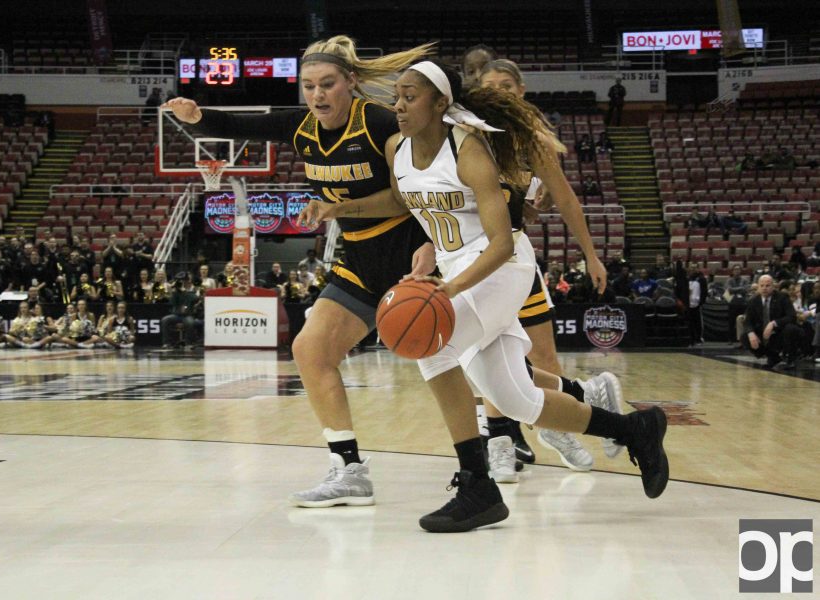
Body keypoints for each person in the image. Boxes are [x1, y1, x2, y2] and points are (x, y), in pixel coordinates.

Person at [316, 60, 668, 531]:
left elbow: (502, 242)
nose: (398, 106)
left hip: (501, 267)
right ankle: (634, 429)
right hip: (457, 267)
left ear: (441, 103)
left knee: (430, 348)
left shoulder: (468, 148)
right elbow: (406, 201)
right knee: (517, 399)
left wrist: (451, 286)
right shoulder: (398, 148)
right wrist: (341, 208)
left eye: (410, 96)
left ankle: (476, 486)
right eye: (396, 96)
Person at [164, 36, 437, 507]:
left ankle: (544, 413)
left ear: (350, 82)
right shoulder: (303, 127)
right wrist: (197, 117)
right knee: (309, 350)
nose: (317, 95)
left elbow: (408, 196)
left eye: (327, 84)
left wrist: (337, 206)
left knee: (484, 367)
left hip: (414, 258)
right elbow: (242, 124)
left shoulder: (379, 123)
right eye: (309, 86)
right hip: (360, 260)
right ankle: (349, 468)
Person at [477, 57, 622, 474]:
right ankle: (500, 438)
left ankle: (555, 424)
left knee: (543, 356)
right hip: (471, 258)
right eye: (492, 85)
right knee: (490, 352)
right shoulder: (465, 134)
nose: (501, 91)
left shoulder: (531, 139)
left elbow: (565, 199)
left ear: (521, 91)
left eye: (508, 85)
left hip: (515, 257)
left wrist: (591, 255)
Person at [741, 275, 801, 371]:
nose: (764, 288)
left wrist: (774, 323)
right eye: (762, 285)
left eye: (767, 285)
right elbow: (747, 321)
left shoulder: (782, 297)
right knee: (745, 336)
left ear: (773, 286)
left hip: (779, 331)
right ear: (758, 287)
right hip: (762, 333)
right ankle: (773, 357)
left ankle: (790, 359)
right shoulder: (753, 300)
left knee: (791, 329)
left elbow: (792, 316)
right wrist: (750, 333)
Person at [160, 271, 201, 348]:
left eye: (182, 280)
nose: (181, 282)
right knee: (165, 319)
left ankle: (189, 343)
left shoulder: (193, 289)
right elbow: (172, 303)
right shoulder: (177, 291)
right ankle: (167, 343)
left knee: (190, 322)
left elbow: (195, 299)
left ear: (186, 281)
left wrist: (184, 291)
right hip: (177, 315)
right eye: (180, 281)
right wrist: (174, 292)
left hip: (188, 315)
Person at [686, 262, 707, 345]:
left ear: (698, 269)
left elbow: (704, 292)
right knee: (690, 322)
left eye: (694, 267)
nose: (693, 269)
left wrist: (701, 302)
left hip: (697, 305)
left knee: (698, 322)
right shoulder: (687, 278)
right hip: (689, 304)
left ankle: (699, 338)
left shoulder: (702, 279)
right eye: (691, 267)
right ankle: (692, 338)